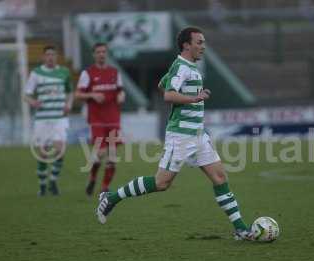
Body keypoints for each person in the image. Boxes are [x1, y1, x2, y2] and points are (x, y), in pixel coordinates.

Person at [96, 27, 255, 241]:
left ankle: (241, 229)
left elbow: (163, 84)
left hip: (198, 134)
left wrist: (188, 97)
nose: (203, 46)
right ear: (186, 45)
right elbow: (168, 94)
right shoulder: (183, 67)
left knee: (219, 177)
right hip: (180, 136)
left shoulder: (184, 66)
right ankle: (111, 198)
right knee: (162, 183)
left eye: (203, 42)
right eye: (199, 42)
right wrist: (194, 99)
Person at [75, 42, 125, 196]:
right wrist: (92, 95)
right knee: (101, 152)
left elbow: (121, 91)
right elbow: (77, 95)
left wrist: (122, 96)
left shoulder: (114, 72)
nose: (101, 54)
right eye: (98, 52)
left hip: (113, 119)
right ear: (94, 54)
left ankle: (104, 187)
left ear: (106, 53)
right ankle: (92, 177)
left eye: (104, 52)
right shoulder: (87, 73)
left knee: (112, 156)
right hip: (96, 119)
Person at [25, 45, 73, 196]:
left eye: (53, 54)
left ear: (57, 56)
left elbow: (70, 92)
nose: (50, 57)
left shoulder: (64, 72)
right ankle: (42, 186)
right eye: (48, 55)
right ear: (43, 57)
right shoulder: (36, 73)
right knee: (43, 153)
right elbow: (26, 94)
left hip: (59, 118)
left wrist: (69, 104)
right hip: (43, 119)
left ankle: (53, 181)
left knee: (60, 150)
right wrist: (32, 102)